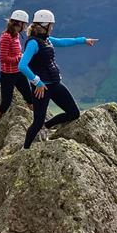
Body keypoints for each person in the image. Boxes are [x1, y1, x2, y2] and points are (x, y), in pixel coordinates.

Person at [18, 9, 98, 149]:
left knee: (74, 113)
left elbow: (63, 42)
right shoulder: (33, 43)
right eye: (51, 25)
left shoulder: (46, 40)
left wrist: (84, 40)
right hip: (41, 88)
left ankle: (47, 126)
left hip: (55, 84)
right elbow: (22, 66)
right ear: (44, 25)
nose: (52, 28)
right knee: (36, 122)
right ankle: (24, 150)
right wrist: (37, 82)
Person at [0, 10, 33, 138]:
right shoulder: (6, 37)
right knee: (5, 104)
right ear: (19, 23)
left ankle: (37, 121)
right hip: (8, 75)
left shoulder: (16, 35)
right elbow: (3, 58)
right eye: (24, 24)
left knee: (29, 98)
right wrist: (19, 58)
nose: (26, 27)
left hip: (18, 73)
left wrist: (19, 58)